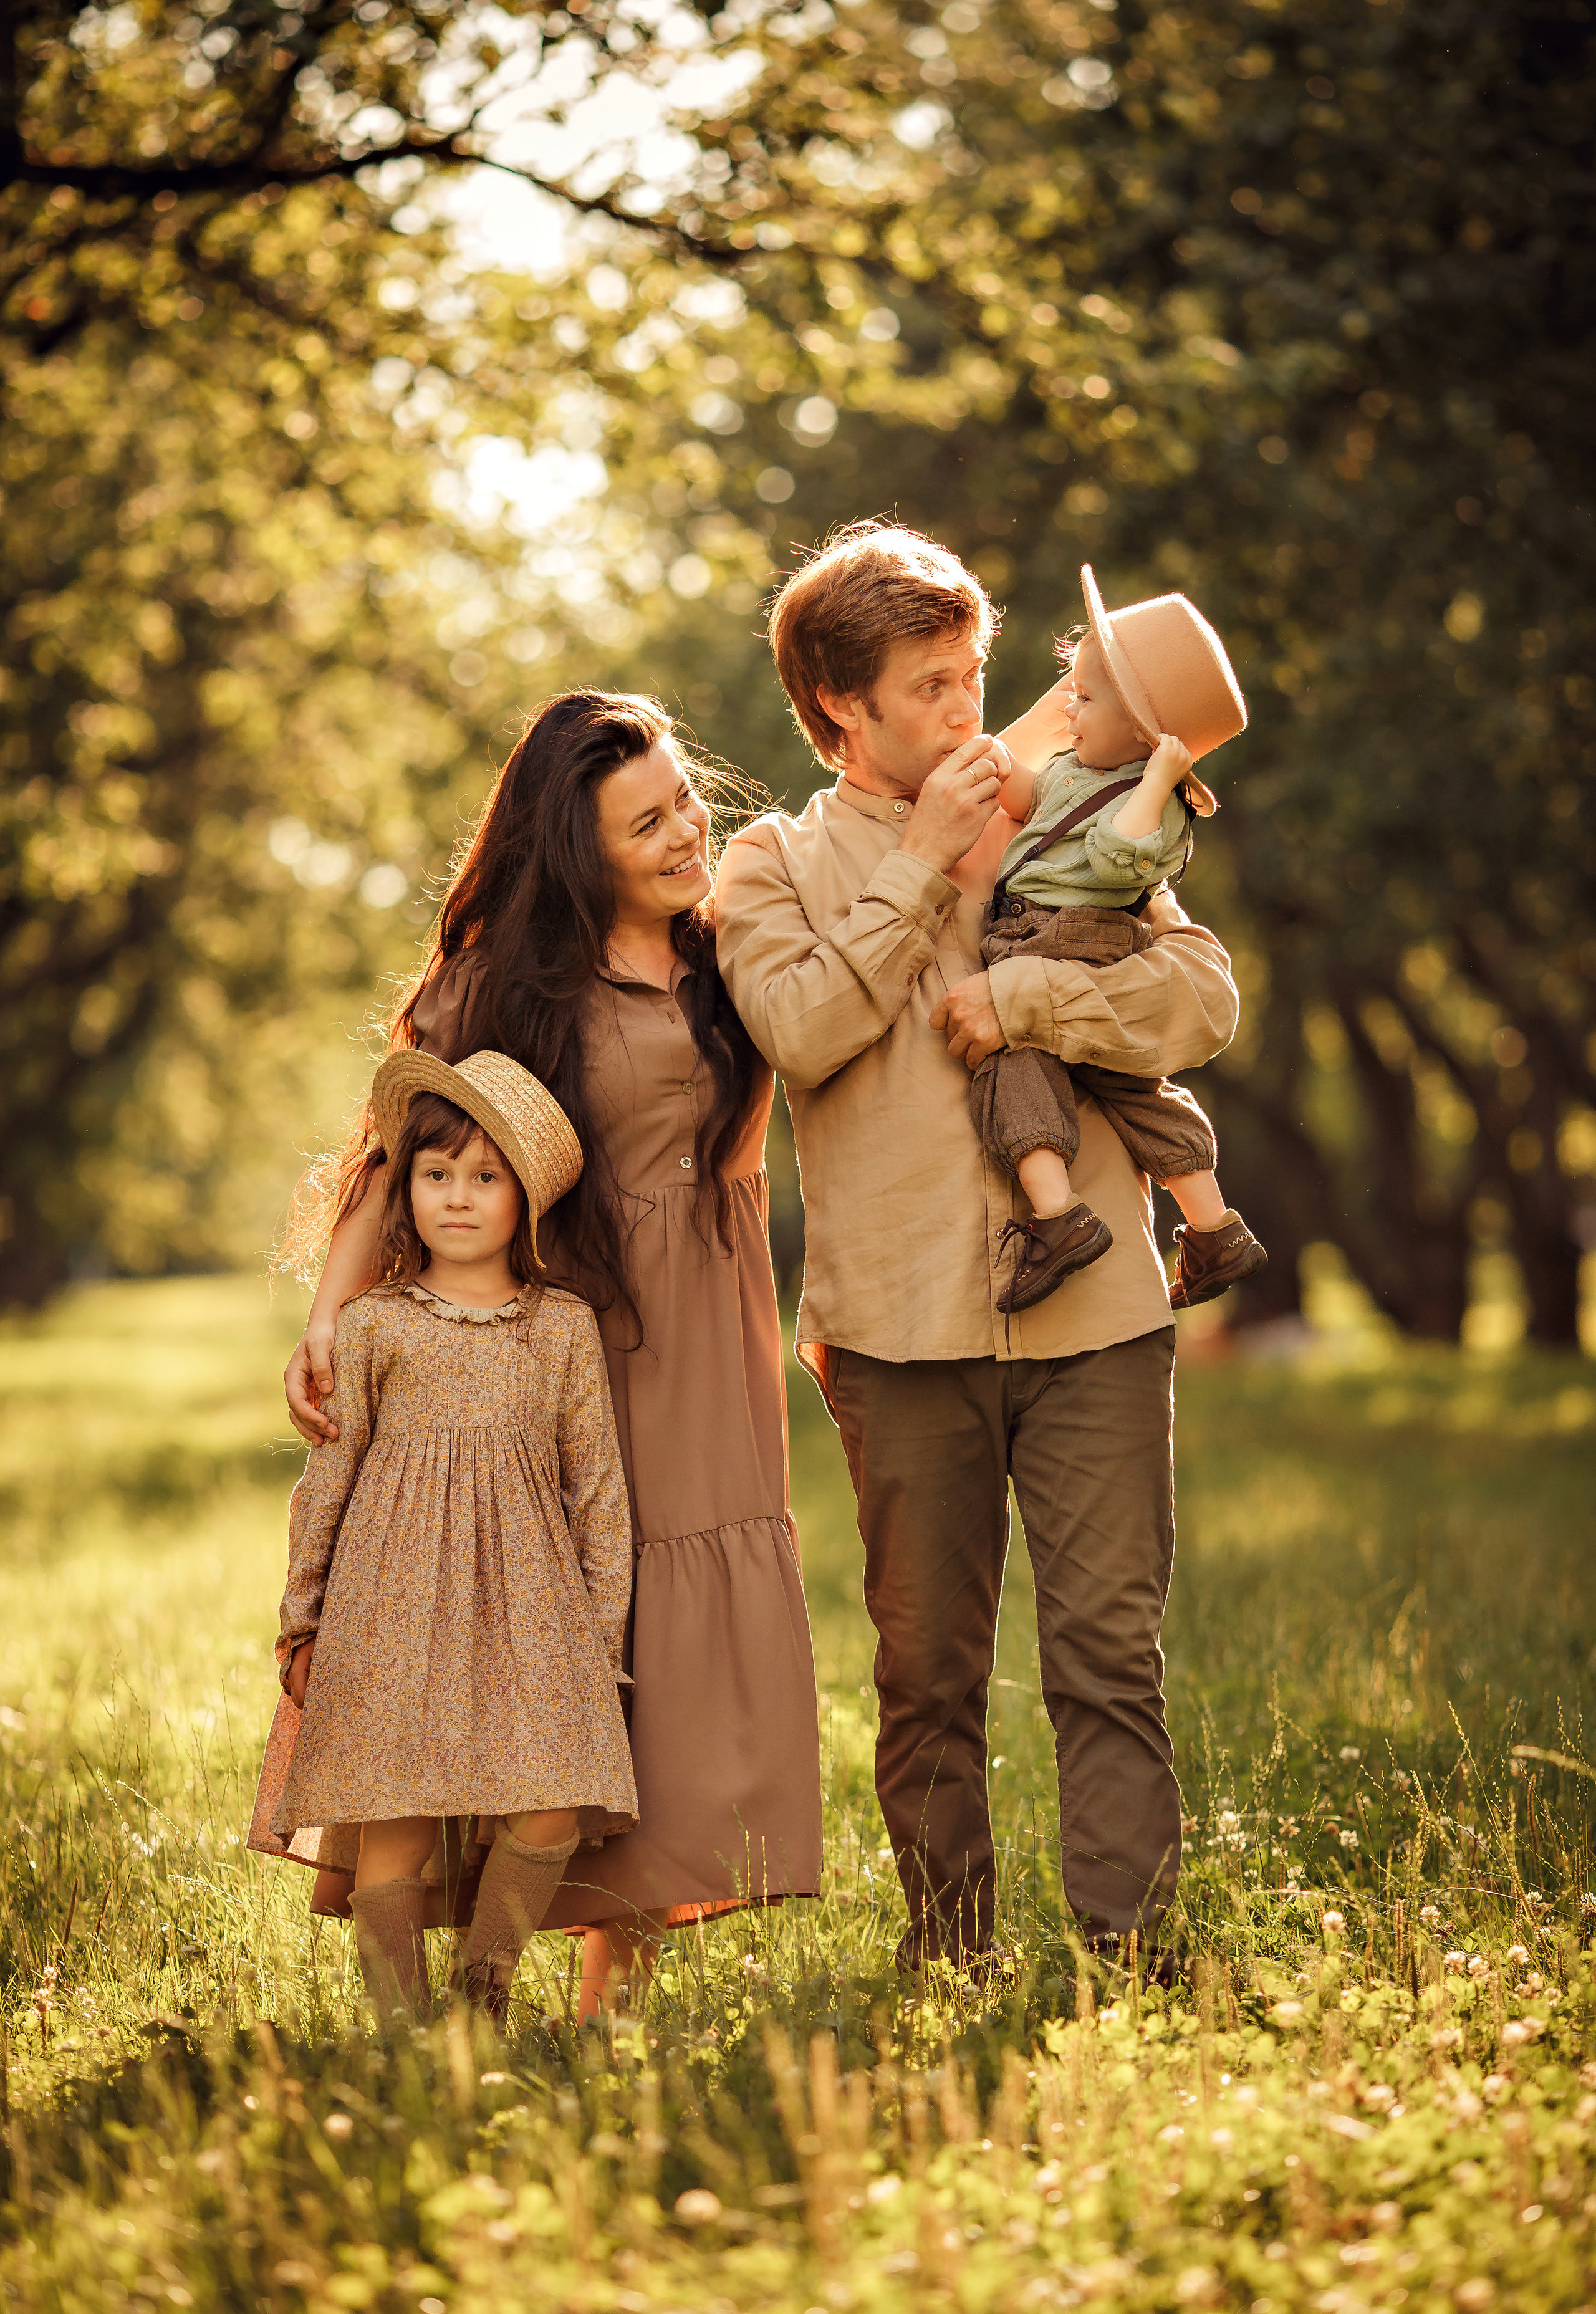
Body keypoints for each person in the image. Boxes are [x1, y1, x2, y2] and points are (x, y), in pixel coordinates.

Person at [714, 522, 1241, 1972]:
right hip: (894, 1331)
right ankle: (949, 1955)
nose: (970, 715)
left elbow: (1199, 997)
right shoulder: (768, 864)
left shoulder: (1068, 810)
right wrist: (925, 869)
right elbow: (799, 1033)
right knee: (927, 1674)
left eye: (973, 677)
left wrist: (1033, 1012)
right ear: (839, 711)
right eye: (929, 688)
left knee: (1105, 1657)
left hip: (1098, 1320)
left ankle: (1128, 1953)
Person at [279, 691, 822, 2016]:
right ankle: (457, 1983)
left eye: (683, 798)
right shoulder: (505, 983)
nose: (689, 829)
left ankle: (610, 1991)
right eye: (647, 823)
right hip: (560, 1335)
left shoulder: (728, 947)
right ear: (576, 849)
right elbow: (393, 1153)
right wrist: (329, 1316)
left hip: (710, 1331)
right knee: (550, 1637)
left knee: (674, 1650)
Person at [250, 1052, 637, 2023]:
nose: (456, 1198)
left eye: (484, 1177)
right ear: (407, 1190)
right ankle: (399, 2033)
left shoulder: (559, 1327)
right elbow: (327, 1480)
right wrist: (303, 1619)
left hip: (533, 1608)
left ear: (526, 1199)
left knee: (549, 1800)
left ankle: (483, 1992)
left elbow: (597, 1490)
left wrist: (603, 1640)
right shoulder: (374, 1326)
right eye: (435, 1175)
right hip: (390, 1605)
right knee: (396, 1812)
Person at [972, 565, 1267, 1315]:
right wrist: (994, 764)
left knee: (1013, 1060)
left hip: (1060, 940)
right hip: (1060, 936)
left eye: (1087, 697)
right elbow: (1036, 805)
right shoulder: (1080, 766)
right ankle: (1215, 1228)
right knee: (1132, 1088)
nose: (1069, 707)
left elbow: (1113, 854)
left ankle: (1056, 1217)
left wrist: (1159, 775)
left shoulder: (1157, 805)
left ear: (1144, 732)